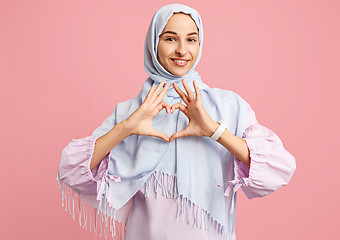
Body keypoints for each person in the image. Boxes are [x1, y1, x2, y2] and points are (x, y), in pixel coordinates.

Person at [57, 3, 296, 240]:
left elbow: (278, 170)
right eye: (171, 39)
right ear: (154, 43)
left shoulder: (228, 106)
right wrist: (127, 127)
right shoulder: (131, 111)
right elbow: (71, 170)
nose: (182, 50)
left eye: (191, 40)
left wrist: (213, 130)